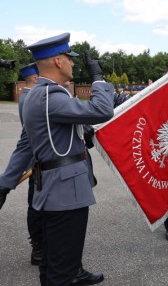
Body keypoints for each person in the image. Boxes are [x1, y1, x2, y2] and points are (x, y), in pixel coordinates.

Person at [22, 32, 113, 285]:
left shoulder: (39, 94)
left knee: (54, 262)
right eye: (69, 59)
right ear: (59, 62)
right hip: (65, 192)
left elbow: (33, 142)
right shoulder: (51, 97)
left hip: (55, 188)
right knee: (62, 270)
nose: (73, 63)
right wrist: (97, 78)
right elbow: (103, 109)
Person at [0, 63, 42, 265]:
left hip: (35, 162)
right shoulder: (31, 99)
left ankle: (39, 249)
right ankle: (39, 250)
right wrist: (6, 182)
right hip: (38, 163)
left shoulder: (27, 96)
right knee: (36, 207)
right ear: (35, 78)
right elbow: (28, 141)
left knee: (36, 206)